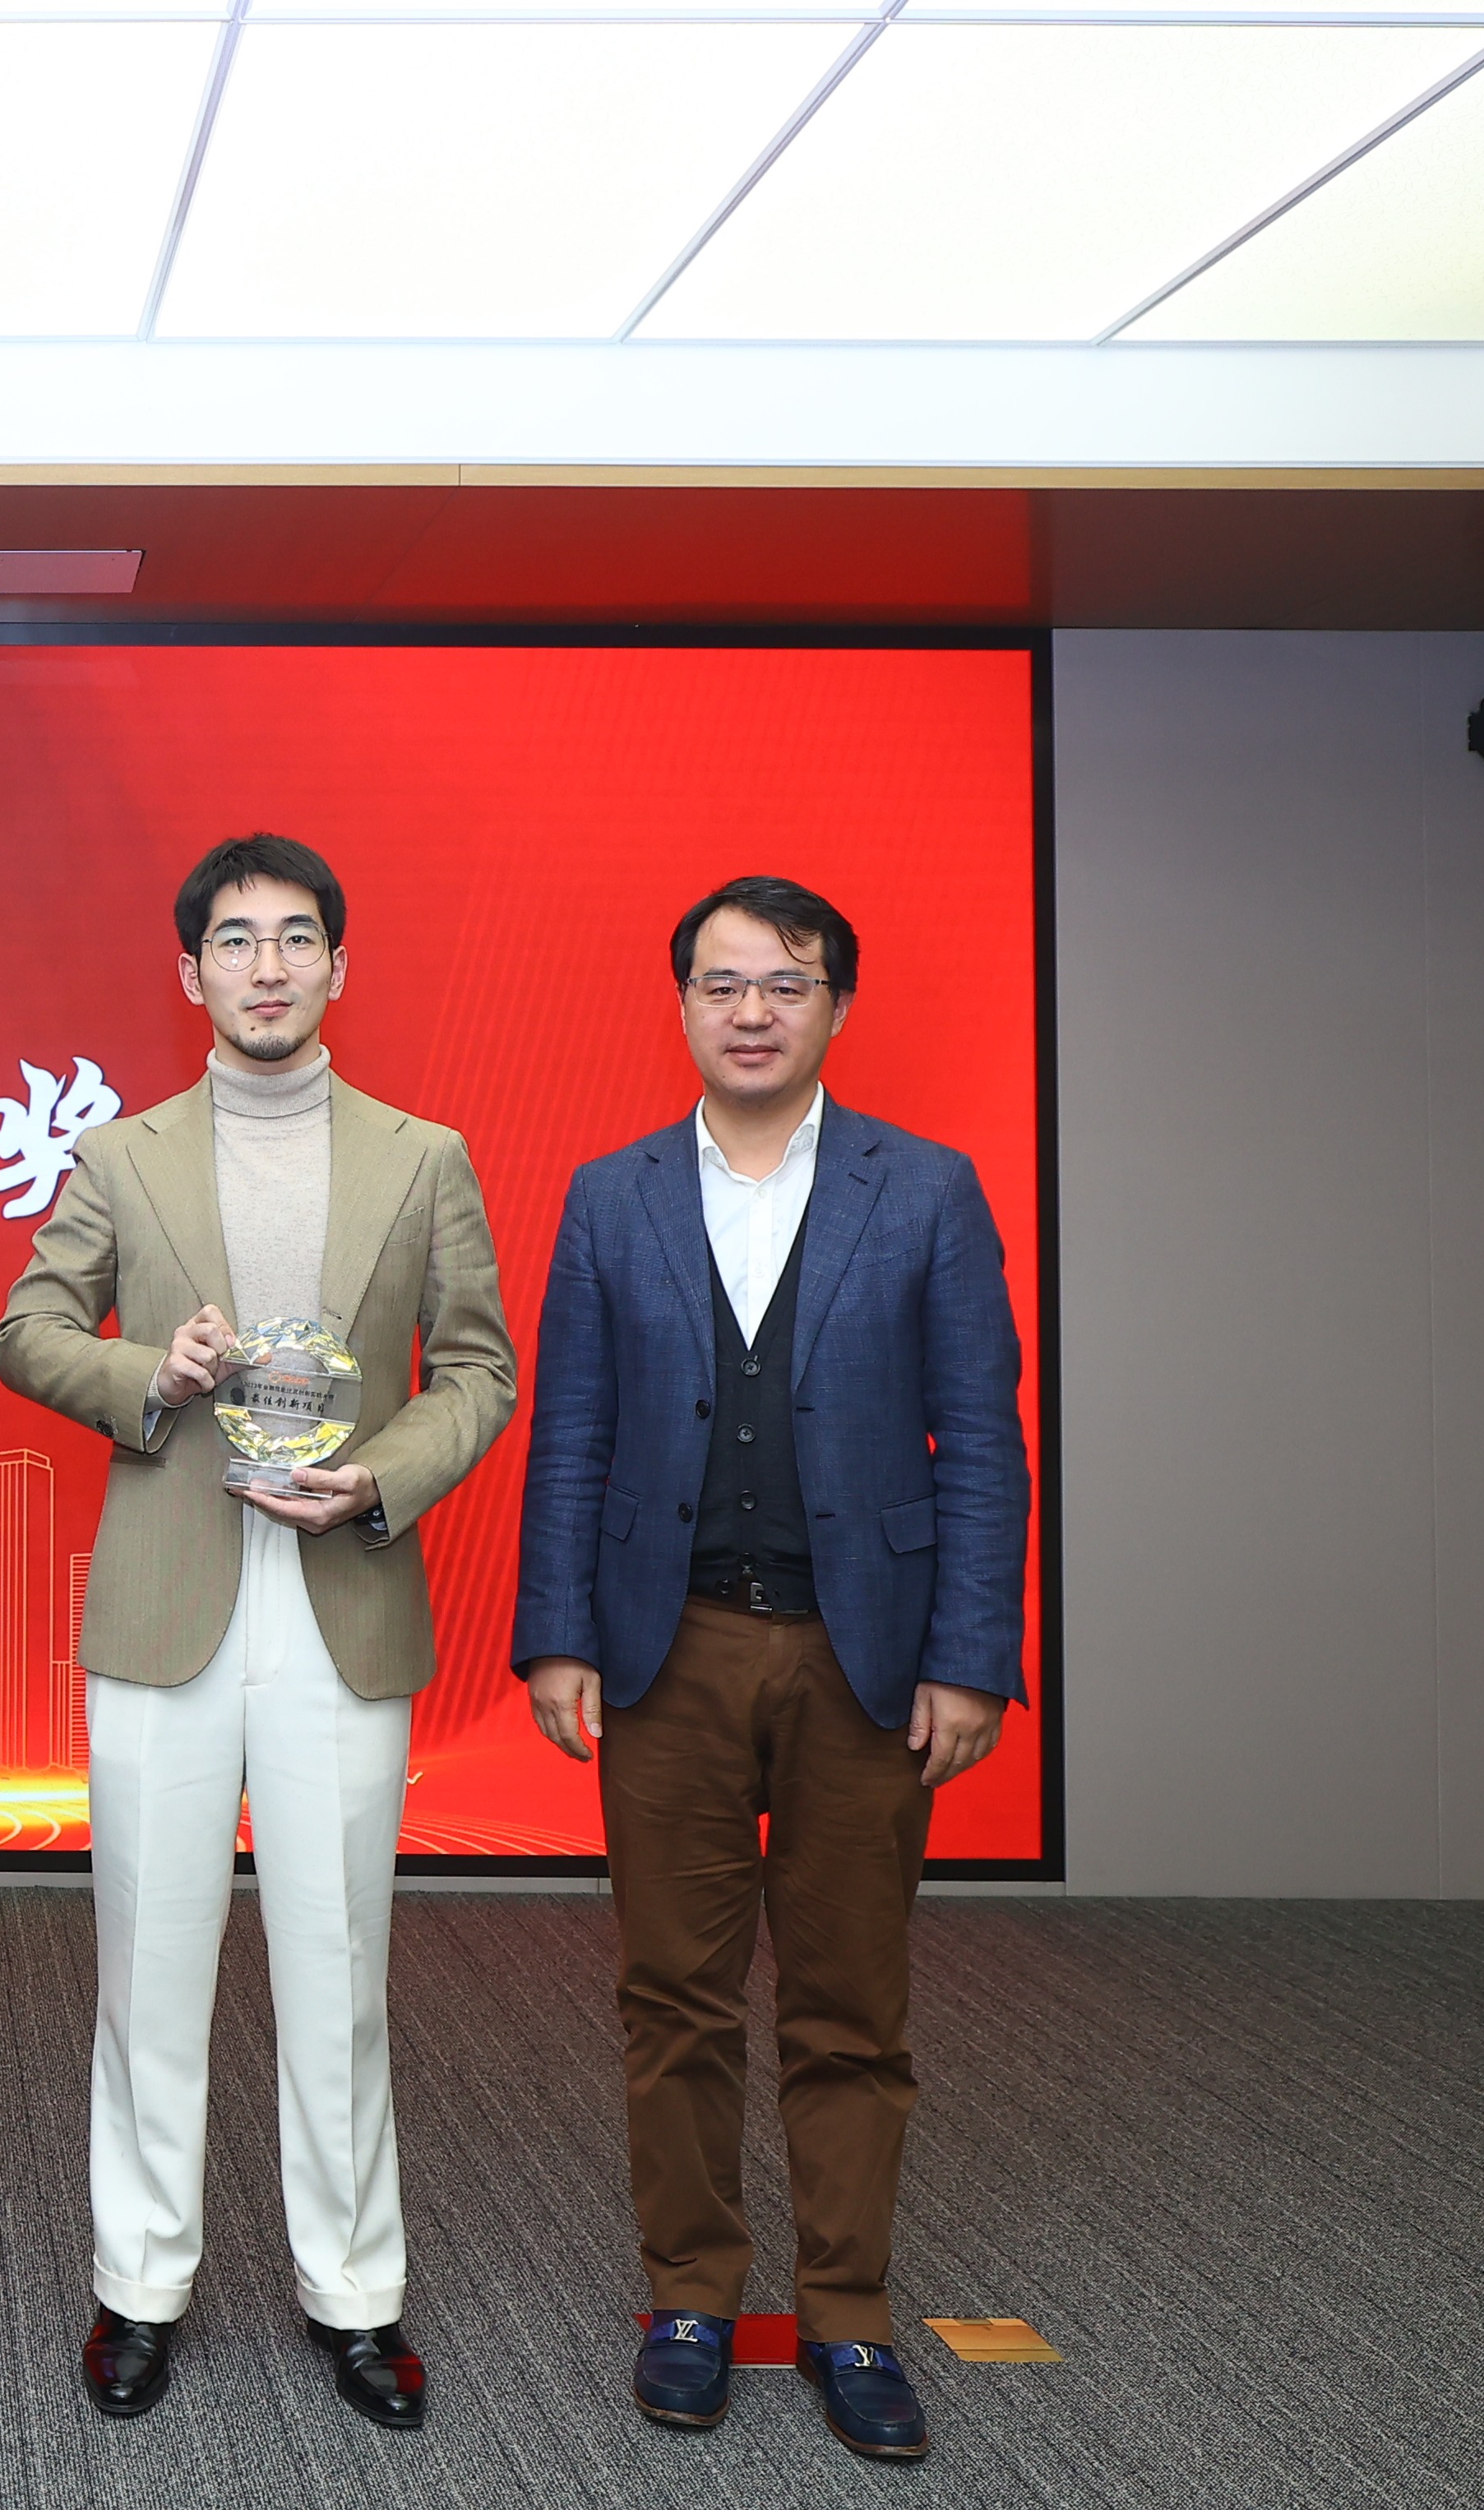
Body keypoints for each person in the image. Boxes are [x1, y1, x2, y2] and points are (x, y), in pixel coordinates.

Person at [0, 834, 515, 2430]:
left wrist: (384, 1477)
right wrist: (149, 1373)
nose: (268, 966)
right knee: (148, 1965)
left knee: (337, 1968)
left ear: (338, 967)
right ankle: (138, 2285)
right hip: (170, 1592)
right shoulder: (122, 1155)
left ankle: (355, 2294)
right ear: (191, 972)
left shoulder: (423, 1156)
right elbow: (27, 1330)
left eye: (297, 939)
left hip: (342, 1587)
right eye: (236, 940)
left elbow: (478, 1370)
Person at [512, 875, 1029, 2464]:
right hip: (668, 1649)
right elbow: (573, 1432)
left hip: (865, 1658)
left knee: (849, 1996)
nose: (752, 1011)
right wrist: (558, 1631)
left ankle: (847, 2309)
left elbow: (983, 1440)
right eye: (723, 983)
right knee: (671, 1992)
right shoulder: (610, 1196)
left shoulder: (926, 1189)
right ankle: (688, 2295)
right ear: (681, 1003)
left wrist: (971, 1658)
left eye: (786, 983)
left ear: (836, 1006)